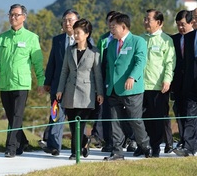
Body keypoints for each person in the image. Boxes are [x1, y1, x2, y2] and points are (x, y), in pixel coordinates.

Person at [0, 4, 45, 158]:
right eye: (11, 15)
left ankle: (11, 147)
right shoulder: (2, 38)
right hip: (5, 83)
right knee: (11, 116)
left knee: (17, 115)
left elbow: (38, 63)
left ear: (24, 17)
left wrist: (41, 82)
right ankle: (23, 141)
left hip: (21, 83)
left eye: (16, 15)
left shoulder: (31, 38)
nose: (13, 18)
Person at [103, 13, 151, 161]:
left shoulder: (138, 41)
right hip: (113, 90)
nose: (111, 29)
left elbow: (140, 61)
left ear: (123, 27)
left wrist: (132, 77)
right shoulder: (111, 44)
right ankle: (117, 152)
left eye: (113, 27)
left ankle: (144, 145)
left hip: (131, 89)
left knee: (135, 120)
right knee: (115, 122)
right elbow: (109, 67)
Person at [56, 18, 104, 160]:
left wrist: (100, 93)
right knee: (72, 125)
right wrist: (60, 89)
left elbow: (98, 75)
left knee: (81, 124)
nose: (75, 35)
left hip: (86, 93)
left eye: (78, 33)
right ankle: (84, 141)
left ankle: (74, 152)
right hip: (70, 92)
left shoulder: (94, 52)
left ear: (87, 34)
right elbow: (64, 71)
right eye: (75, 33)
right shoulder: (69, 50)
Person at [39, 9, 80, 156]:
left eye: (70, 20)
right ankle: (54, 146)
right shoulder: (58, 40)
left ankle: (80, 145)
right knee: (56, 114)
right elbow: (52, 63)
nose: (67, 23)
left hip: (77, 87)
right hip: (58, 86)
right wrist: (47, 82)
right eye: (65, 20)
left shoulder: (84, 40)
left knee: (75, 118)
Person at [96, 11, 137, 153]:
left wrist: (132, 77)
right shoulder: (105, 40)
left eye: (114, 24)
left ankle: (134, 140)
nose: (111, 26)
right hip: (109, 82)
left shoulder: (132, 40)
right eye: (109, 23)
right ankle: (113, 144)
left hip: (126, 84)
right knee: (110, 115)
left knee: (129, 115)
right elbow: (102, 63)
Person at [173, 6, 197, 156]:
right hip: (190, 84)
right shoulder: (189, 37)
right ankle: (189, 147)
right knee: (189, 116)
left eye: (196, 16)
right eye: (192, 16)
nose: (193, 19)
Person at [141, 9, 176, 157]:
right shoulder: (140, 39)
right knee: (142, 119)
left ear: (159, 23)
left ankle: (155, 147)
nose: (146, 22)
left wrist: (167, 80)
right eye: (145, 18)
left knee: (157, 119)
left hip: (158, 87)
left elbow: (170, 62)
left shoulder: (166, 40)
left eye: (149, 19)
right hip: (141, 86)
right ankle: (144, 145)